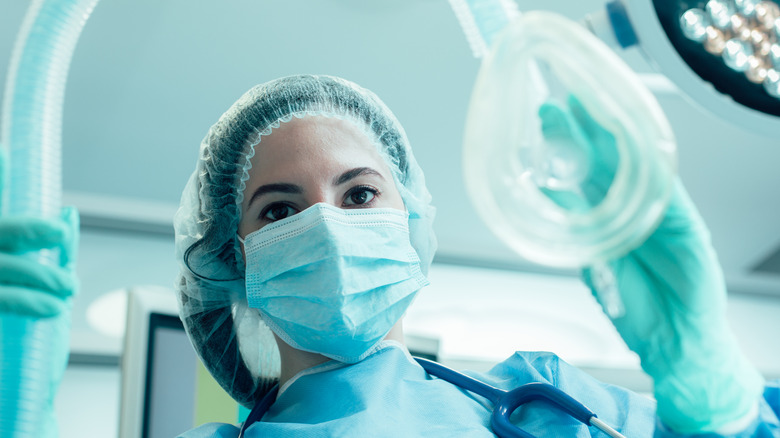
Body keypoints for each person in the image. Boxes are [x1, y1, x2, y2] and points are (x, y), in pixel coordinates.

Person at [168, 74, 780, 437]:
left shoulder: (547, 405)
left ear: (411, 223)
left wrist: (715, 399)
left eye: (359, 194)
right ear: (234, 261)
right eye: (280, 211)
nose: (328, 229)